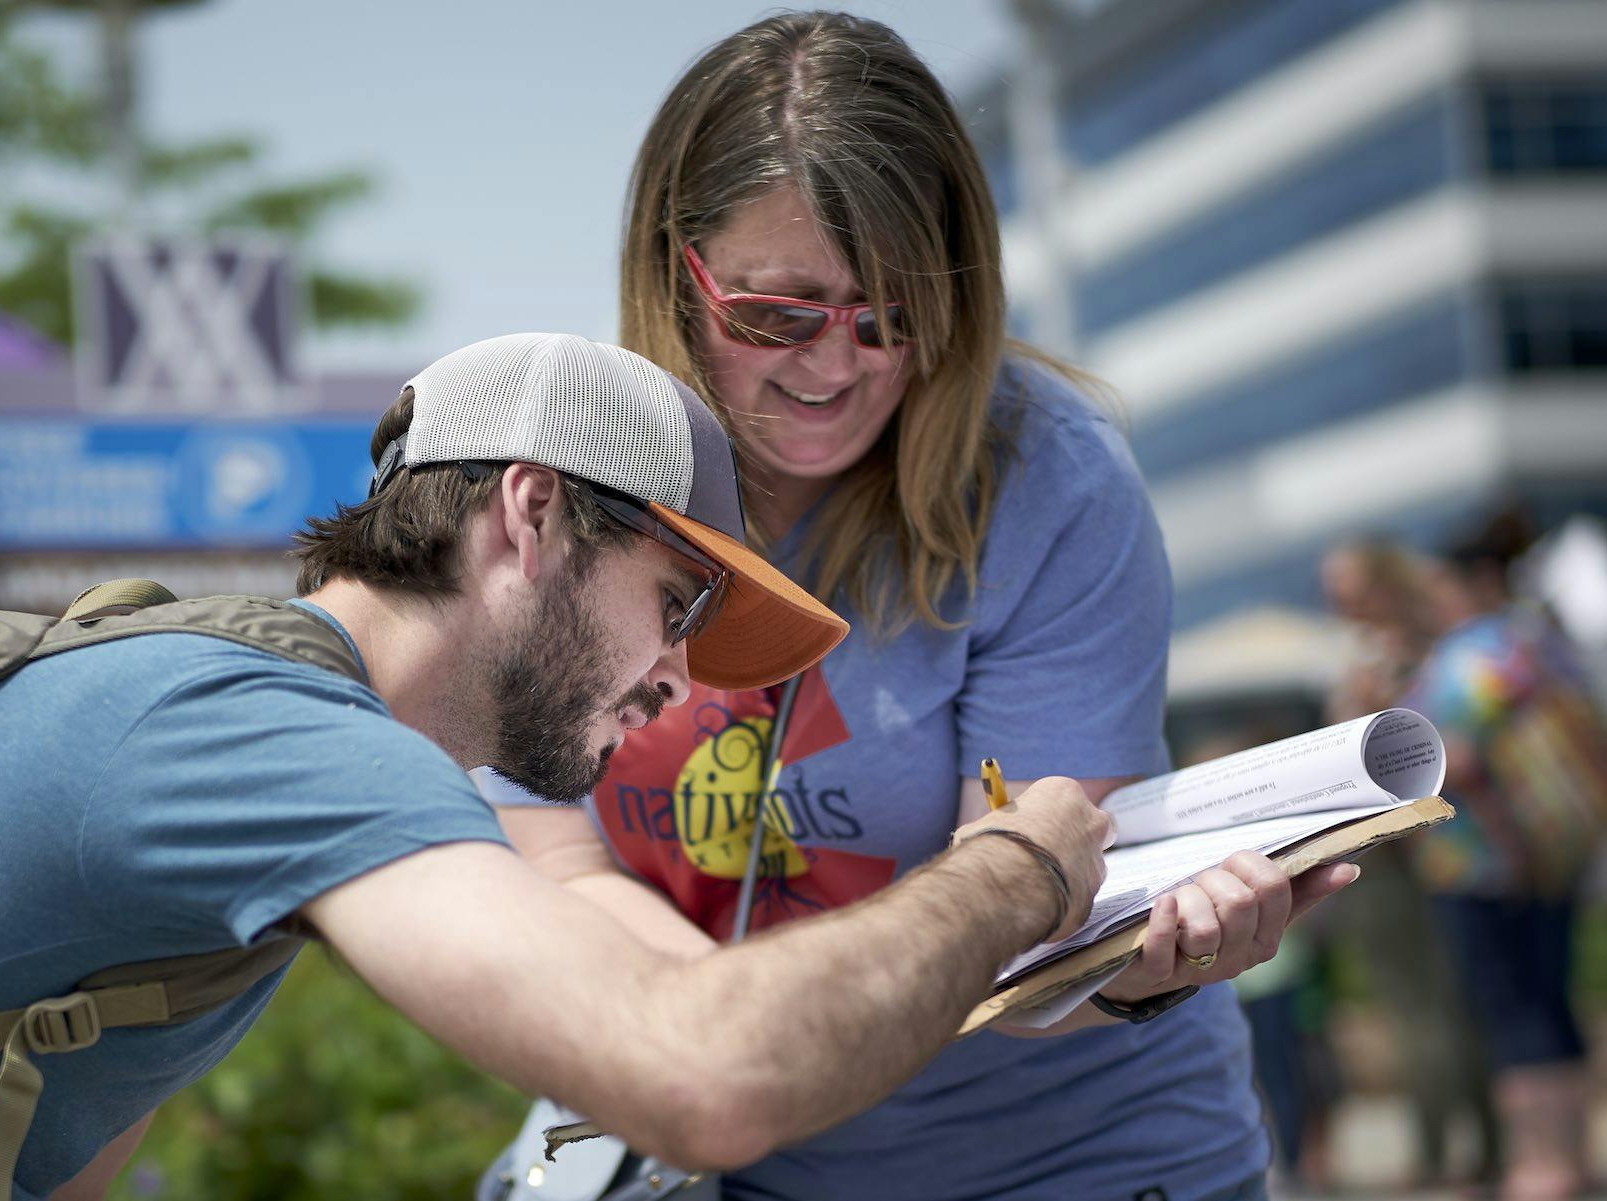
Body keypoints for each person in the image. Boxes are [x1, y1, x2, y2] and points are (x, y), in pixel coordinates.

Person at [0, 334, 1125, 1199]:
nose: (683, 678)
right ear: (532, 513)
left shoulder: (218, 706)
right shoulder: (257, 736)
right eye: (676, 605)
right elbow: (701, 1075)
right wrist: (1013, 876)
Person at [484, 16, 1358, 1201]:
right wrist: (728, 1042)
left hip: (1071, 1162)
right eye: (776, 314)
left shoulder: (1049, 476)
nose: (836, 367)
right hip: (727, 1157)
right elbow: (554, 867)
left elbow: (1026, 928)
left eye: (892, 314)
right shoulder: (560, 478)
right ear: (668, 268)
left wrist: (1134, 964)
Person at [1325, 534, 1607, 1201]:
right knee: (1549, 1001)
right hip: (1546, 850)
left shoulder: (1470, 651)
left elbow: (1447, 755)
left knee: (1512, 1011)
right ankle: (1567, 1151)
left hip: (1479, 863)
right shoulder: (1531, 640)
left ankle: (1541, 1162)